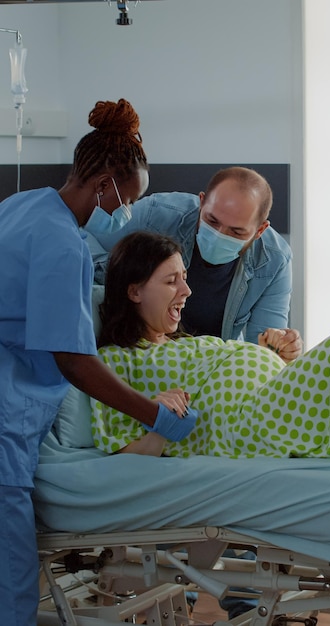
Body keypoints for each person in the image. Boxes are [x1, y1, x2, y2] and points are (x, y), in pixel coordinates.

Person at [0, 99, 197, 626]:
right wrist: (152, 416)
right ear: (106, 183)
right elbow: (73, 359)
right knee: (10, 569)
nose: (127, 211)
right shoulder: (63, 244)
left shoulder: (20, 205)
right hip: (6, 414)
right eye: (129, 199)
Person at [89, 231, 330, 463]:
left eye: (184, 277)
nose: (187, 290)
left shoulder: (184, 344)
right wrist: (160, 421)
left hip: (269, 401)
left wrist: (272, 357)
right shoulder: (114, 359)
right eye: (171, 282)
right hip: (245, 425)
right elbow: (124, 452)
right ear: (134, 292)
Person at [84, 166, 292, 345]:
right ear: (201, 203)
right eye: (212, 221)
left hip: (208, 364)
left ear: (260, 230)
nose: (219, 234)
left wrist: (280, 347)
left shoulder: (275, 260)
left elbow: (261, 352)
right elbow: (84, 240)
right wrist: (115, 280)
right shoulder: (156, 216)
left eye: (236, 232)